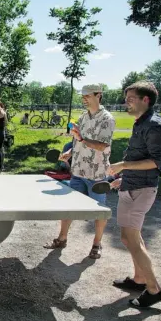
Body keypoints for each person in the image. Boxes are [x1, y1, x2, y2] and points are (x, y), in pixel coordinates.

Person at [108, 81, 161, 308]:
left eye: (131, 98)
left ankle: (153, 290)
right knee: (130, 238)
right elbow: (140, 160)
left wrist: (123, 165)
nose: (127, 102)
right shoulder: (141, 122)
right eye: (127, 98)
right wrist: (125, 178)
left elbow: (155, 162)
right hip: (132, 187)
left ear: (146, 99)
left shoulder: (154, 126)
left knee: (132, 240)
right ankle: (139, 279)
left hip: (141, 191)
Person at [43, 84, 116, 259]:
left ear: (98, 95)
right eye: (82, 96)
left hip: (96, 174)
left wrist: (82, 139)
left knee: (100, 211)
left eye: (87, 95)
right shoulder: (83, 117)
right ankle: (62, 238)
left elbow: (102, 145)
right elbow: (78, 141)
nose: (84, 98)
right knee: (68, 207)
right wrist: (69, 152)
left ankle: (97, 245)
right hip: (78, 171)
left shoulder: (107, 119)